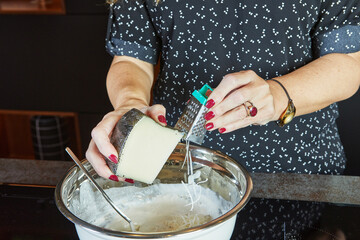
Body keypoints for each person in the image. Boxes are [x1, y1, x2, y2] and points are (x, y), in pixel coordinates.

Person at [86, 0, 360, 238]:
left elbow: (348, 62)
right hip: (179, 169)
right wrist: (130, 105)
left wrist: (277, 95)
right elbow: (132, 59)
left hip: (297, 174)